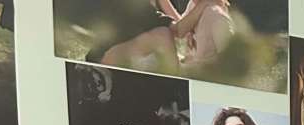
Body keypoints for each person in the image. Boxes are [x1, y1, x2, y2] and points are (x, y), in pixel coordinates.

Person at [98, 0, 234, 74]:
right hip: (106, 58)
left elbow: (179, 29)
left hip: (128, 59)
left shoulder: (214, 15)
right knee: (162, 36)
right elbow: (178, 31)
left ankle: (174, 78)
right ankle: (174, 80)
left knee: (164, 39)